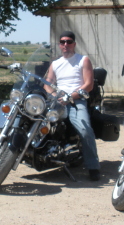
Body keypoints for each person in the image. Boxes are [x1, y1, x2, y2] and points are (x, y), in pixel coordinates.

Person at [44, 31, 101, 181]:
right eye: (62, 42)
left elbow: (88, 85)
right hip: (58, 100)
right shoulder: (55, 64)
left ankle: (93, 166)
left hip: (76, 100)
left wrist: (72, 96)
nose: (65, 45)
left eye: (69, 42)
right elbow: (48, 83)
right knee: (36, 118)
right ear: (59, 45)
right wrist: (53, 94)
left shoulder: (83, 60)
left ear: (74, 44)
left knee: (85, 129)